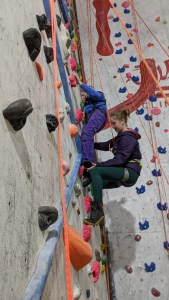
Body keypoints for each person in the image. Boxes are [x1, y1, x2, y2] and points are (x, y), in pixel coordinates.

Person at [83, 109, 142, 226]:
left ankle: (98, 212)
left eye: (114, 123)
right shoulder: (119, 138)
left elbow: (120, 159)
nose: (112, 126)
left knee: (96, 171)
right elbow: (106, 145)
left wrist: (99, 165)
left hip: (130, 172)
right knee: (96, 184)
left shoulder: (128, 138)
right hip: (125, 174)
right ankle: (98, 215)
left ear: (122, 121)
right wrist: (89, 143)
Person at [74, 72, 107, 187]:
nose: (82, 98)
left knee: (87, 133)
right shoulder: (89, 107)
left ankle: (89, 163)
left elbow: (94, 94)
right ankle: (89, 173)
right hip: (98, 116)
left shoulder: (99, 96)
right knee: (85, 134)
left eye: (83, 95)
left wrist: (81, 83)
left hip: (100, 113)